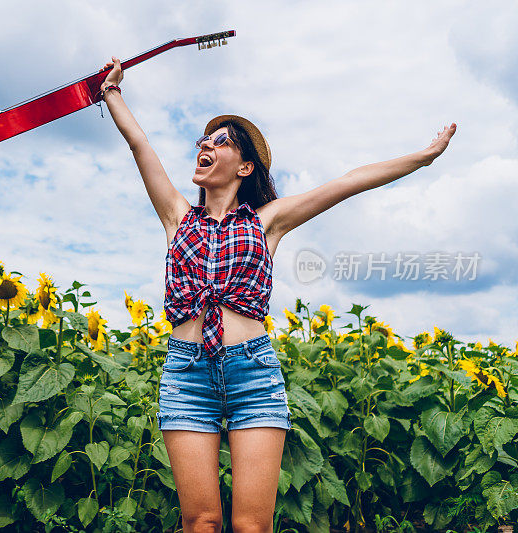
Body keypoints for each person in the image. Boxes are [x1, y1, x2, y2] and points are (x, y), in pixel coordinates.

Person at [98, 56, 455, 533]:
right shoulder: (176, 217)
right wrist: (113, 93)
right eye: (203, 140)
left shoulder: (268, 221)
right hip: (187, 374)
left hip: (253, 373)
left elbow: (347, 182)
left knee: (252, 526)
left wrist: (423, 157)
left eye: (220, 141)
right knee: (200, 522)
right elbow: (139, 143)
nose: (205, 144)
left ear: (245, 166)